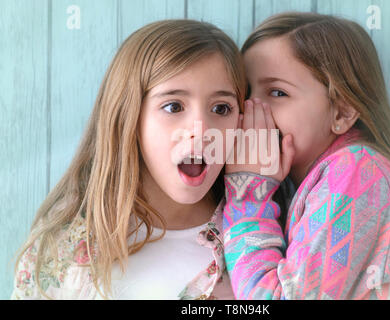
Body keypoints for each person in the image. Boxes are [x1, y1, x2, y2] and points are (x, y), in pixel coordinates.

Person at [11, 19, 246, 300]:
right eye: (173, 106)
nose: (201, 130)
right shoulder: (64, 246)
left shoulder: (256, 243)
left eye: (221, 108)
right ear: (129, 117)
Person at [223, 12, 390, 299]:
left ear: (342, 112)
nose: (251, 109)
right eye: (245, 93)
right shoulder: (324, 177)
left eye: (277, 92)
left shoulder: (357, 171)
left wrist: (248, 193)